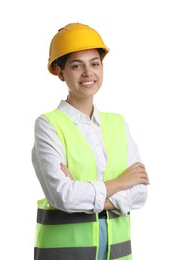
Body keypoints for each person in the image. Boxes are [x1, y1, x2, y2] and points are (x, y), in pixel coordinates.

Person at [32, 22, 149, 260]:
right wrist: (119, 183)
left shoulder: (117, 123)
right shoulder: (48, 125)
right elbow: (63, 196)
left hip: (116, 254)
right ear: (60, 71)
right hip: (64, 254)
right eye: (76, 65)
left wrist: (87, 194)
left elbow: (140, 193)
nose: (88, 73)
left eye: (95, 64)